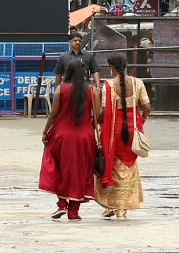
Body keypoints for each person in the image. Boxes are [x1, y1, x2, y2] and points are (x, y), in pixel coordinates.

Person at [40, 57, 99, 220]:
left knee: (59, 168)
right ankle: (73, 211)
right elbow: (97, 115)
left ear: (68, 72)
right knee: (80, 171)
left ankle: (61, 204)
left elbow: (53, 114)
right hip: (85, 136)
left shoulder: (60, 89)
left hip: (62, 134)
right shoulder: (92, 90)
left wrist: (45, 131)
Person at [94, 52, 151, 219]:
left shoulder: (108, 86)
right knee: (129, 167)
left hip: (113, 131)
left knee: (112, 167)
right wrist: (142, 121)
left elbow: (103, 112)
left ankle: (113, 206)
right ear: (125, 66)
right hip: (133, 130)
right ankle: (122, 208)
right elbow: (147, 107)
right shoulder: (138, 83)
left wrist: (96, 121)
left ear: (112, 67)